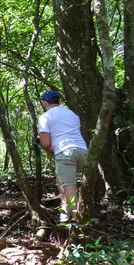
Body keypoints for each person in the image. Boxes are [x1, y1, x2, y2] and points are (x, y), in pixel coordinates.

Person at [38, 90, 88, 222]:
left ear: (44, 102)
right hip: (82, 151)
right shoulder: (72, 114)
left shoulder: (45, 117)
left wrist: (48, 150)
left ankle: (78, 223)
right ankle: (65, 212)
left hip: (65, 152)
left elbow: (45, 142)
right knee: (61, 181)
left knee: (70, 187)